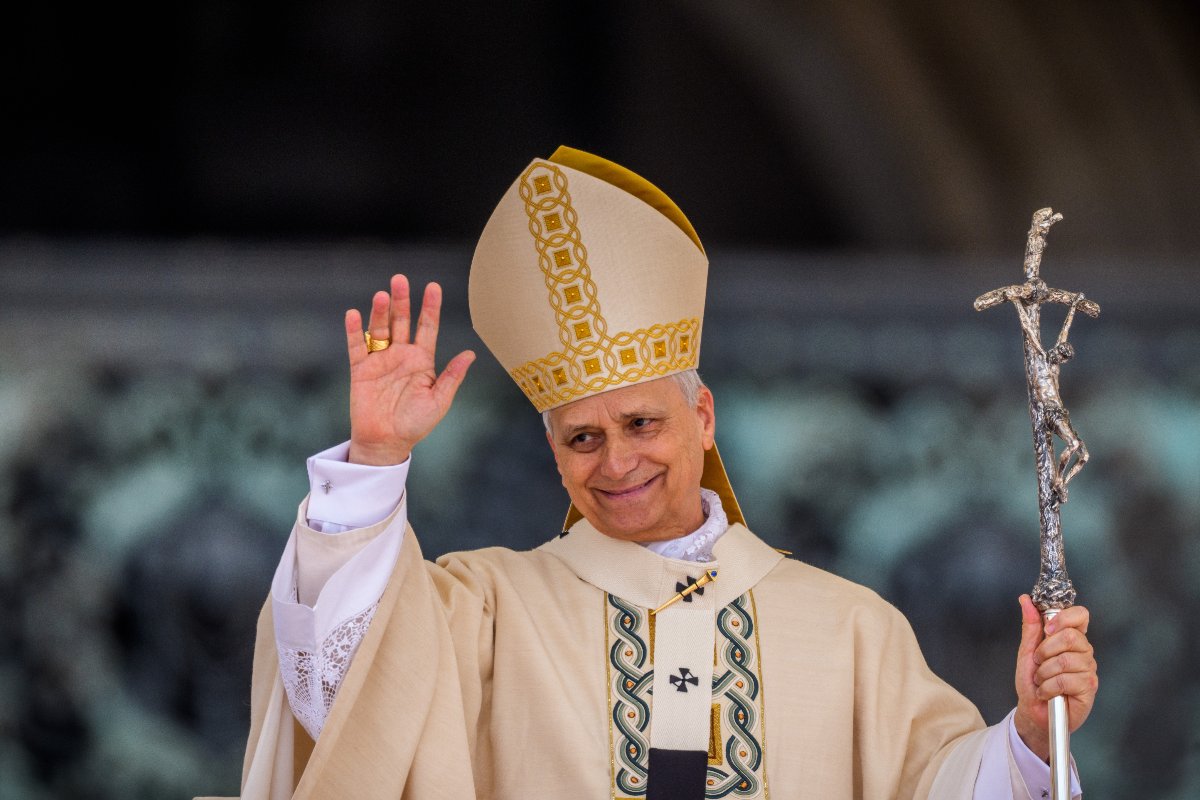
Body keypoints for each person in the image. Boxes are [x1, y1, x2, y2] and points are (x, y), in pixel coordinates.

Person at [204, 148, 1098, 800]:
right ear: (552, 455)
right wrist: (377, 457)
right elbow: (345, 695)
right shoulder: (482, 610)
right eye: (581, 439)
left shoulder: (849, 631)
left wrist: (1026, 734)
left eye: (641, 424)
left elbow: (939, 788)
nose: (617, 460)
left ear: (702, 418)